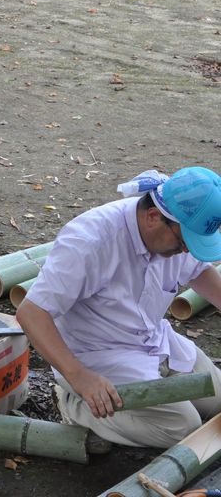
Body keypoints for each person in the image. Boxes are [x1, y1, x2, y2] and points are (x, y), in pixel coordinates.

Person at [17, 167, 221, 448]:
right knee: (183, 427)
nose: (186, 251)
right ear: (153, 218)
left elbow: (199, 270)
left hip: (154, 341)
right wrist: (79, 377)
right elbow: (31, 313)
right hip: (98, 357)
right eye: (184, 243)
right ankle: (74, 406)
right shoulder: (90, 242)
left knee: (217, 403)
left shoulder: (170, 231)